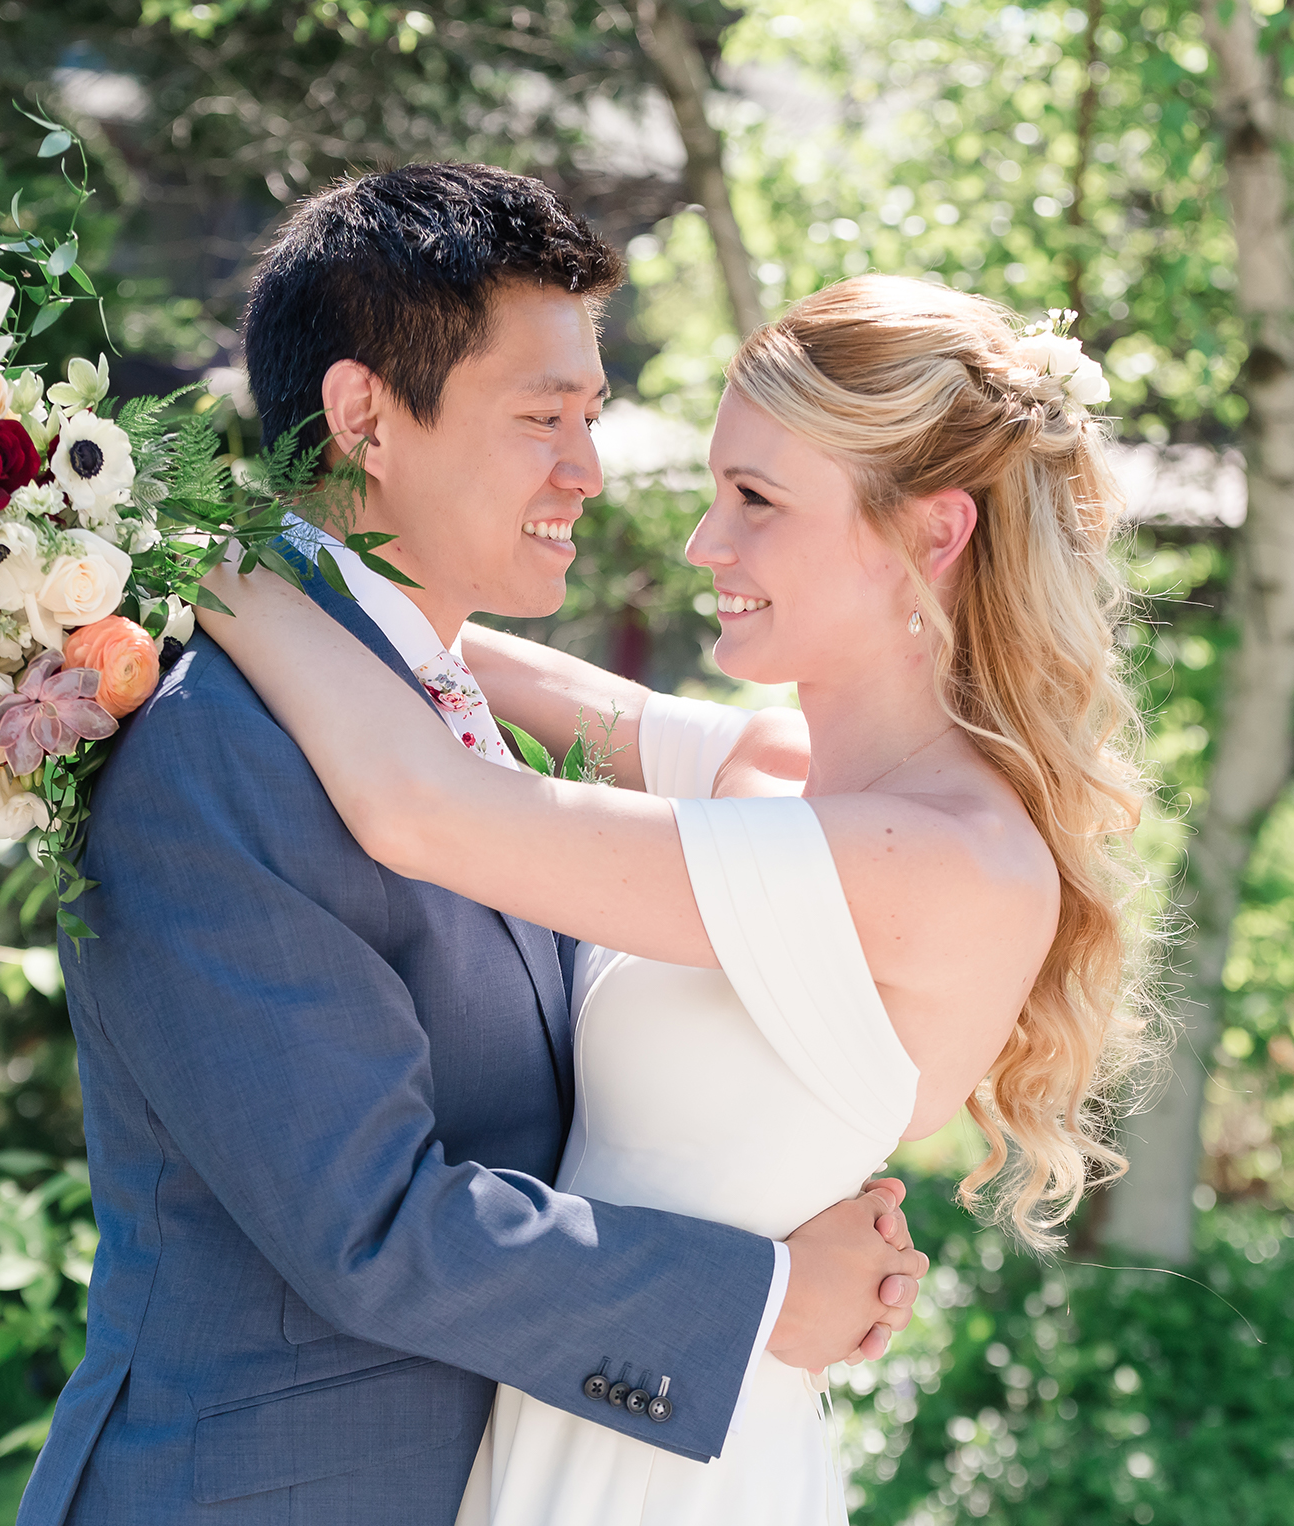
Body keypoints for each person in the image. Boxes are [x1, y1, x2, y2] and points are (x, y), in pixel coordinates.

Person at [16, 168, 931, 1526]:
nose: (587, 469)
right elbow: (368, 1223)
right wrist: (762, 1298)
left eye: (591, 416)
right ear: (364, 418)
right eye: (541, 417)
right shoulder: (218, 746)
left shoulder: (421, 696)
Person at [193, 272, 1154, 1525]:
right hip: (579, 1404)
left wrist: (196, 569)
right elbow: (454, 656)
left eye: (756, 499)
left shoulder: (940, 861)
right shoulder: (768, 769)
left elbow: (424, 808)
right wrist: (264, 554)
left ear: (932, 533)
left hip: (673, 1464)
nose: (706, 543)